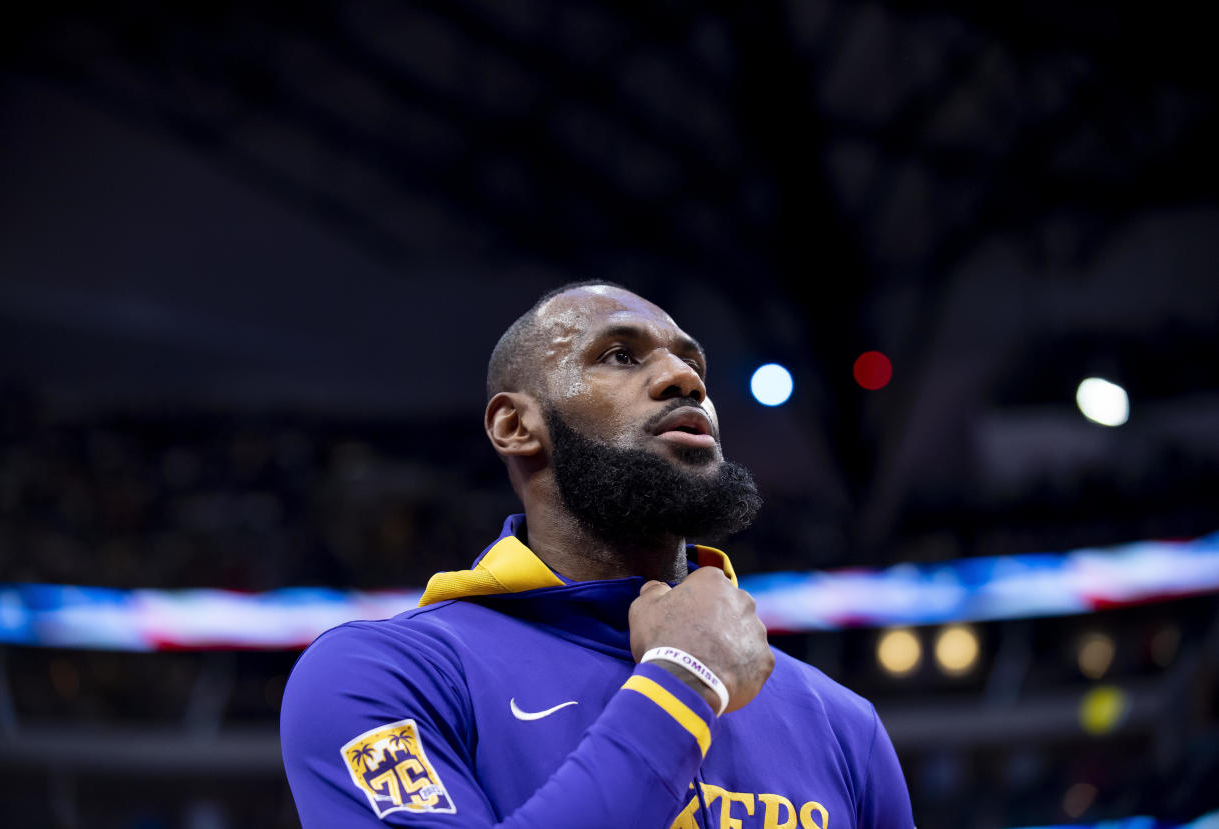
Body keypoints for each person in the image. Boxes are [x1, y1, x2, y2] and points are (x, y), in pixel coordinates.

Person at [281, 282, 915, 828]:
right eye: (620, 355)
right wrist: (683, 681)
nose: (685, 378)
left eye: (692, 362)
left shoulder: (841, 723)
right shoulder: (383, 676)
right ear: (514, 426)